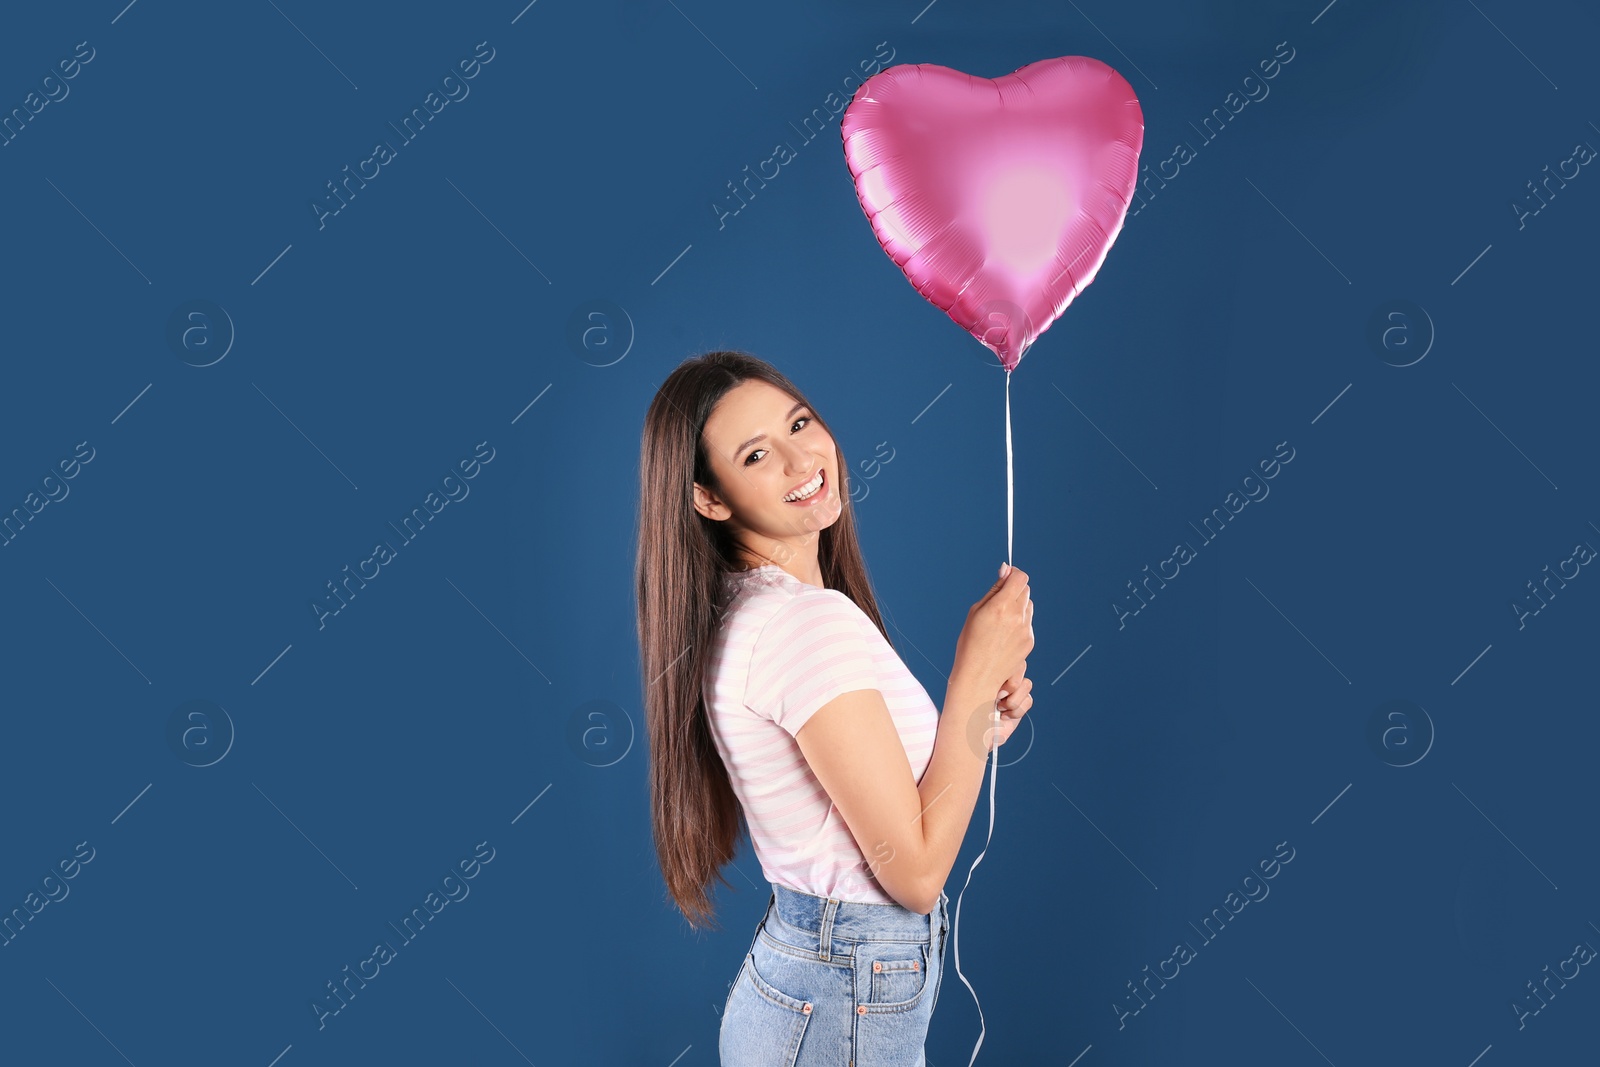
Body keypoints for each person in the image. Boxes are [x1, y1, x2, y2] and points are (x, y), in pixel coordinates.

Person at [634, 349, 1035, 1065]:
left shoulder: (752, 611)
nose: (800, 459)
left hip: (816, 987)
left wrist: (977, 726)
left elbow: (871, 802)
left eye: (801, 422)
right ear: (710, 498)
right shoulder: (804, 622)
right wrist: (971, 677)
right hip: (839, 993)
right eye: (757, 454)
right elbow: (911, 873)